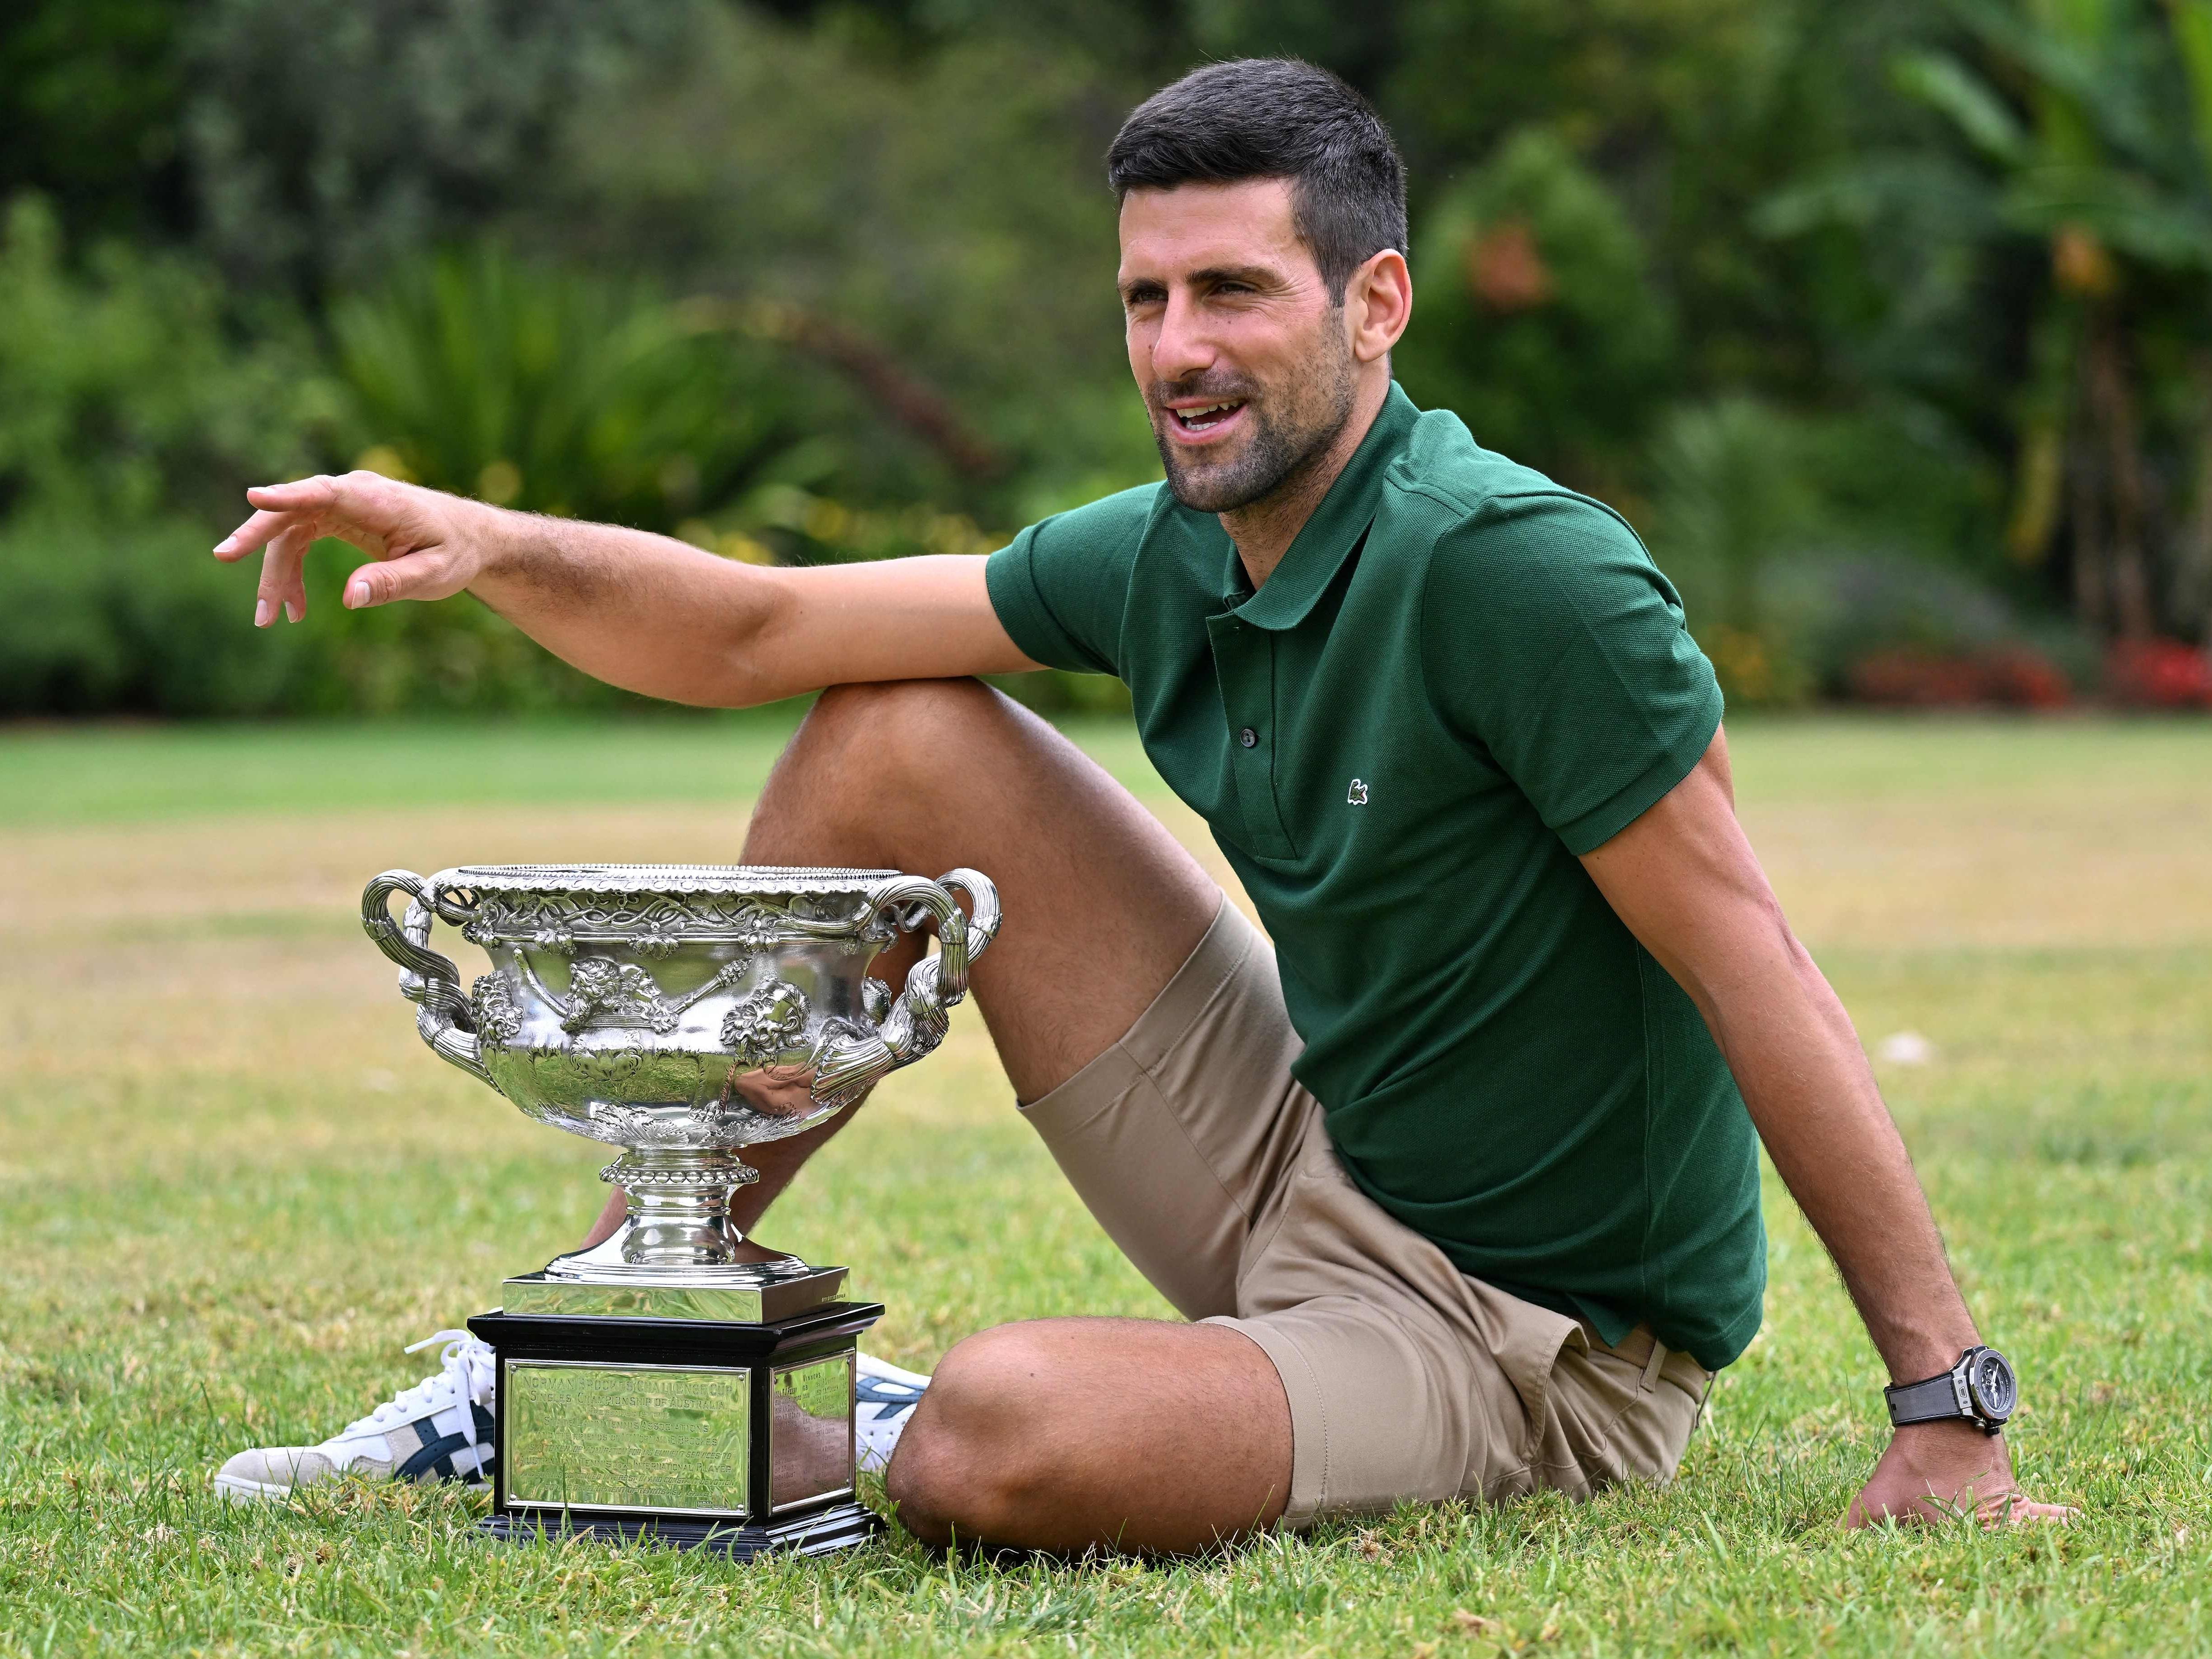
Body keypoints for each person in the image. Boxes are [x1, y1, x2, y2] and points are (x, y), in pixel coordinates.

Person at [209, 58, 2068, 1549]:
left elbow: (1756, 969)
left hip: (1517, 1339)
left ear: (1376, 301)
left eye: (1233, 291)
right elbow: (763, 625)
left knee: (995, 1441)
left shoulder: (1518, 572)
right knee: (896, 728)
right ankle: (639, 1322)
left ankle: (827, 1407)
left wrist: (1944, 1403)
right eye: (1145, 296)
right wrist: (492, 535)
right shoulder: (1180, 543)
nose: (1177, 346)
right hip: (1304, 1145)